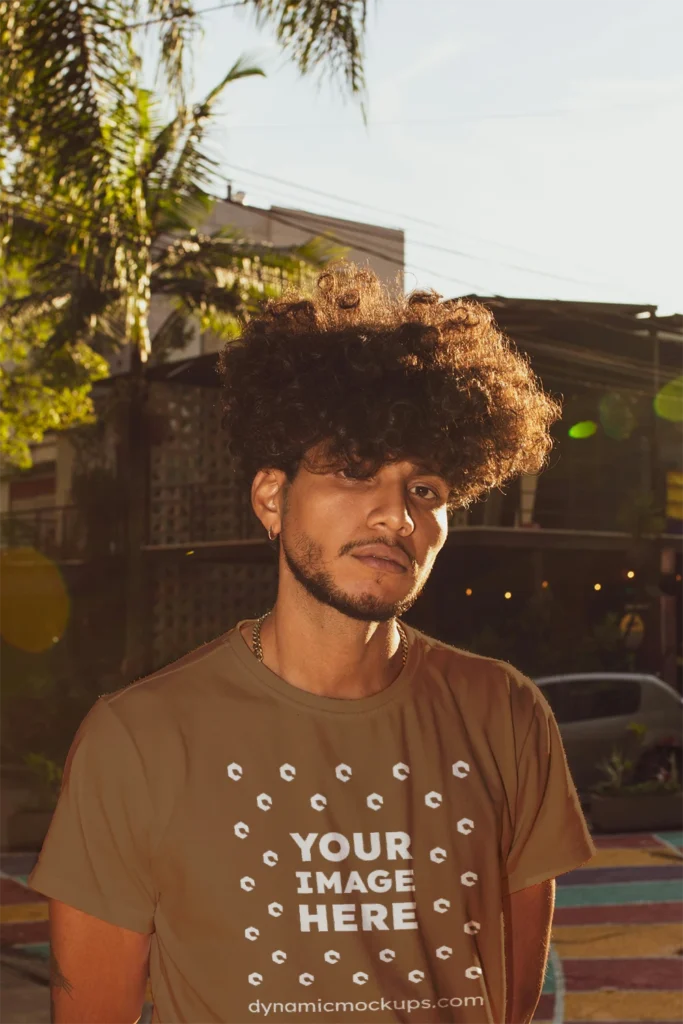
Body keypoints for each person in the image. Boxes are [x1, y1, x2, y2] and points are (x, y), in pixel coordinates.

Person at [29, 263, 596, 1024]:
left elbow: (508, 1001)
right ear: (272, 497)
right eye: (356, 472)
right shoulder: (138, 740)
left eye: (424, 490)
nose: (396, 514)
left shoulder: (505, 712)